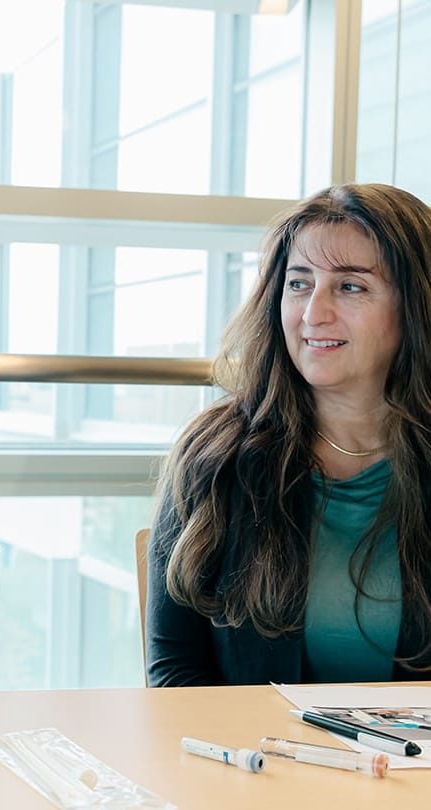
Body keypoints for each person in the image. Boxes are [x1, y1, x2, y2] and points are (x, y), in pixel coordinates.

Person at [146, 183, 431, 687]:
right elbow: (175, 669)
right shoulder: (216, 454)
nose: (313, 313)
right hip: (261, 761)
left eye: (350, 286)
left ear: (414, 305)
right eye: (299, 284)